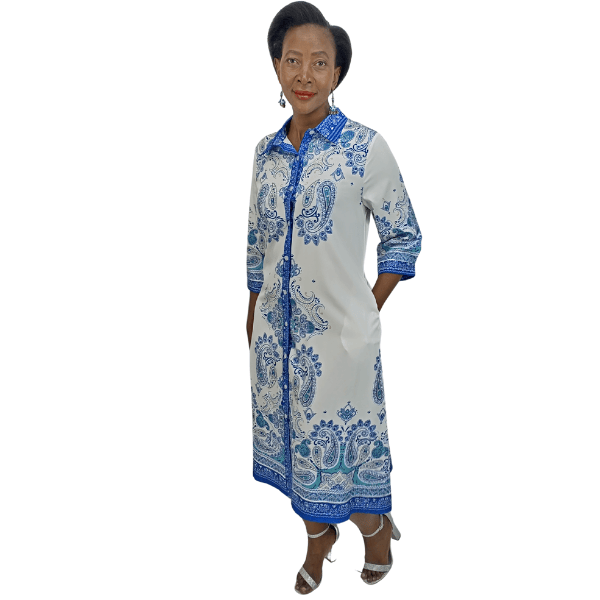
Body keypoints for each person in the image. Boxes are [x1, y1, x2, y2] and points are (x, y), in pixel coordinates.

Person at [245, 1, 422, 594]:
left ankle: (374, 527)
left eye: (319, 62)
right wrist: (252, 314)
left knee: (344, 456)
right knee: (297, 458)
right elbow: (257, 241)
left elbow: (404, 234)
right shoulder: (265, 154)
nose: (305, 75)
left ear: (337, 72)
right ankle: (318, 538)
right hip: (276, 342)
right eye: (293, 60)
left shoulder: (365, 147)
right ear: (276, 67)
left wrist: (367, 308)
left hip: (342, 344)